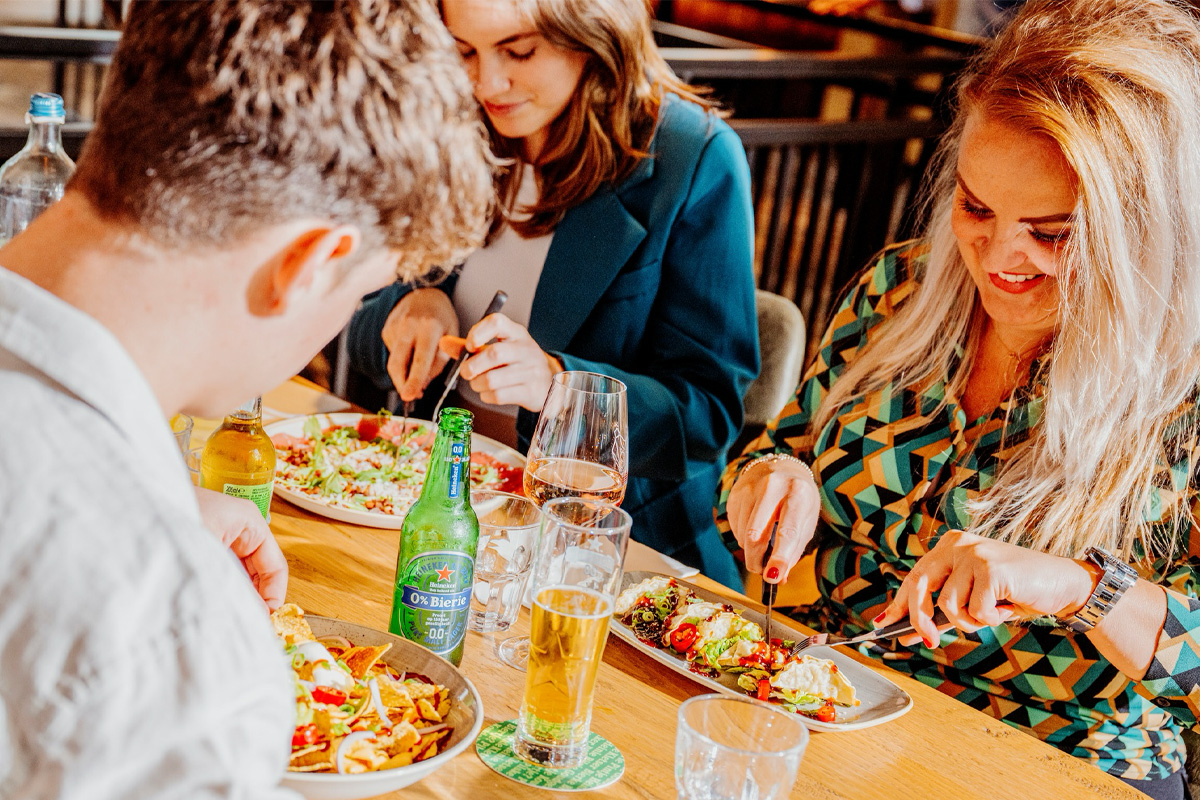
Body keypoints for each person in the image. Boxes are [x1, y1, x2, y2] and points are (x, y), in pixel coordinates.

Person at [0, 1, 492, 797]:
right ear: (306, 267)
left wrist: (159, 500)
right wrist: (149, 530)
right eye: (359, 292)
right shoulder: (176, 637)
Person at [716, 0, 1200, 797]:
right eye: (976, 207)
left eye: (1052, 232)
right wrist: (771, 479)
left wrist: (1080, 587)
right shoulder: (901, 286)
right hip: (834, 699)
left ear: (1142, 230)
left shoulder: (1183, 385)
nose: (999, 257)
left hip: (1057, 763)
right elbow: (780, 450)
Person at [348, 0, 758, 588]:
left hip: (604, 557)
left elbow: (707, 415)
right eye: (465, 51)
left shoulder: (693, 157)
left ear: (593, 32)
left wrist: (558, 388)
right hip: (422, 510)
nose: (487, 82)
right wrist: (411, 303)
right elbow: (358, 323)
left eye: (518, 52)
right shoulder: (452, 121)